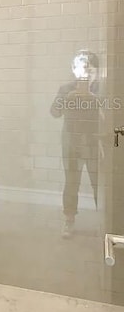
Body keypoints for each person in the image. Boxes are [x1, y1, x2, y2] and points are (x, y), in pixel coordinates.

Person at [50, 50, 100, 239]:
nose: (86, 73)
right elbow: (54, 112)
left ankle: (106, 223)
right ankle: (69, 220)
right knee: (72, 183)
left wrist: (94, 99)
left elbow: (111, 115)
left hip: (96, 143)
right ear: (73, 70)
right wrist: (67, 98)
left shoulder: (103, 89)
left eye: (90, 69)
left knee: (99, 184)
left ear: (97, 71)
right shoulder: (66, 89)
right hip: (72, 143)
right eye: (81, 68)